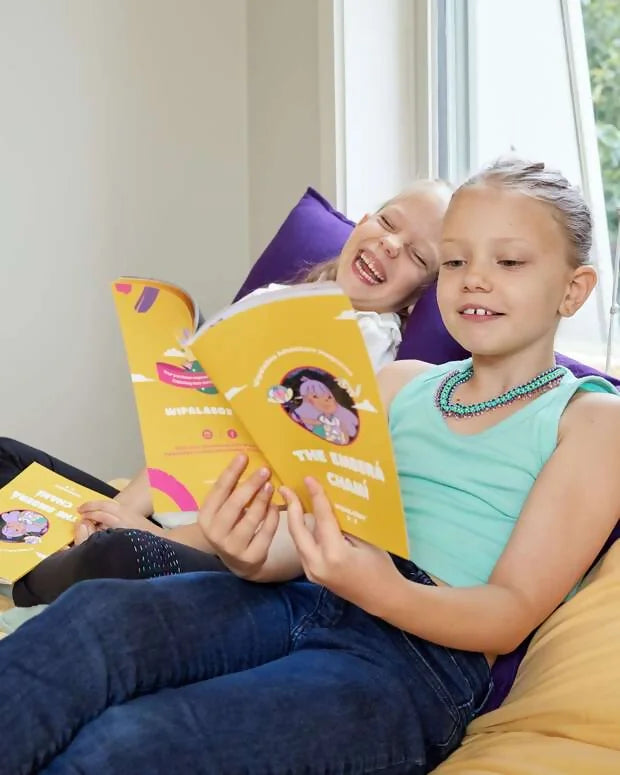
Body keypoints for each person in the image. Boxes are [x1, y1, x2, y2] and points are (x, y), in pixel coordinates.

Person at [1, 157, 619, 775]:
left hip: (414, 662)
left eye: (507, 262)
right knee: (93, 621)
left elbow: (509, 611)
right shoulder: (400, 384)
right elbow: (309, 540)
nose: (473, 280)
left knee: (133, 743)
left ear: (574, 288)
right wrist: (247, 552)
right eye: (456, 261)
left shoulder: (592, 422)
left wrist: (383, 589)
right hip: (302, 597)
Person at [2, 179, 452, 605]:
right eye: (389, 224)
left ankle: (28, 586)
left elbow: (289, 491)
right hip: (164, 511)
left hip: (226, 550)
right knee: (7, 457)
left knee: (116, 558)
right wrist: (112, 512)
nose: (391, 245)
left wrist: (156, 537)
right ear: (364, 221)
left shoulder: (370, 349)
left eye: (416, 256)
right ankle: (61, 561)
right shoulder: (274, 298)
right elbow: (184, 422)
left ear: (419, 293)